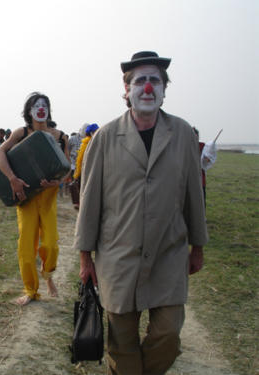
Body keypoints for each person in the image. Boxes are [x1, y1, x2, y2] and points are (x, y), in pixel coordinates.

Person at [74, 51, 208, 375]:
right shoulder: (105, 137)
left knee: (168, 334)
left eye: (155, 80)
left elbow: (194, 194)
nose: (147, 87)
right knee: (122, 342)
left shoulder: (183, 135)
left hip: (169, 252)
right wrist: (85, 258)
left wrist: (198, 247)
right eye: (140, 80)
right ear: (126, 90)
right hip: (118, 256)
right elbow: (89, 200)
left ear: (164, 89)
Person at [0, 92, 67, 306]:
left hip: (48, 198)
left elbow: (67, 172)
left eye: (45, 104)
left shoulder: (60, 137)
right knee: (27, 246)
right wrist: (13, 179)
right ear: (29, 111)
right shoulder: (22, 132)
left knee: (51, 244)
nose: (41, 108)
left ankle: (48, 275)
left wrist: (58, 182)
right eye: (36, 105)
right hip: (26, 198)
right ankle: (31, 290)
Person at [72, 123, 99, 209]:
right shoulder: (87, 143)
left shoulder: (96, 142)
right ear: (91, 133)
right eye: (95, 131)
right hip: (86, 172)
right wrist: (77, 174)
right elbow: (80, 161)